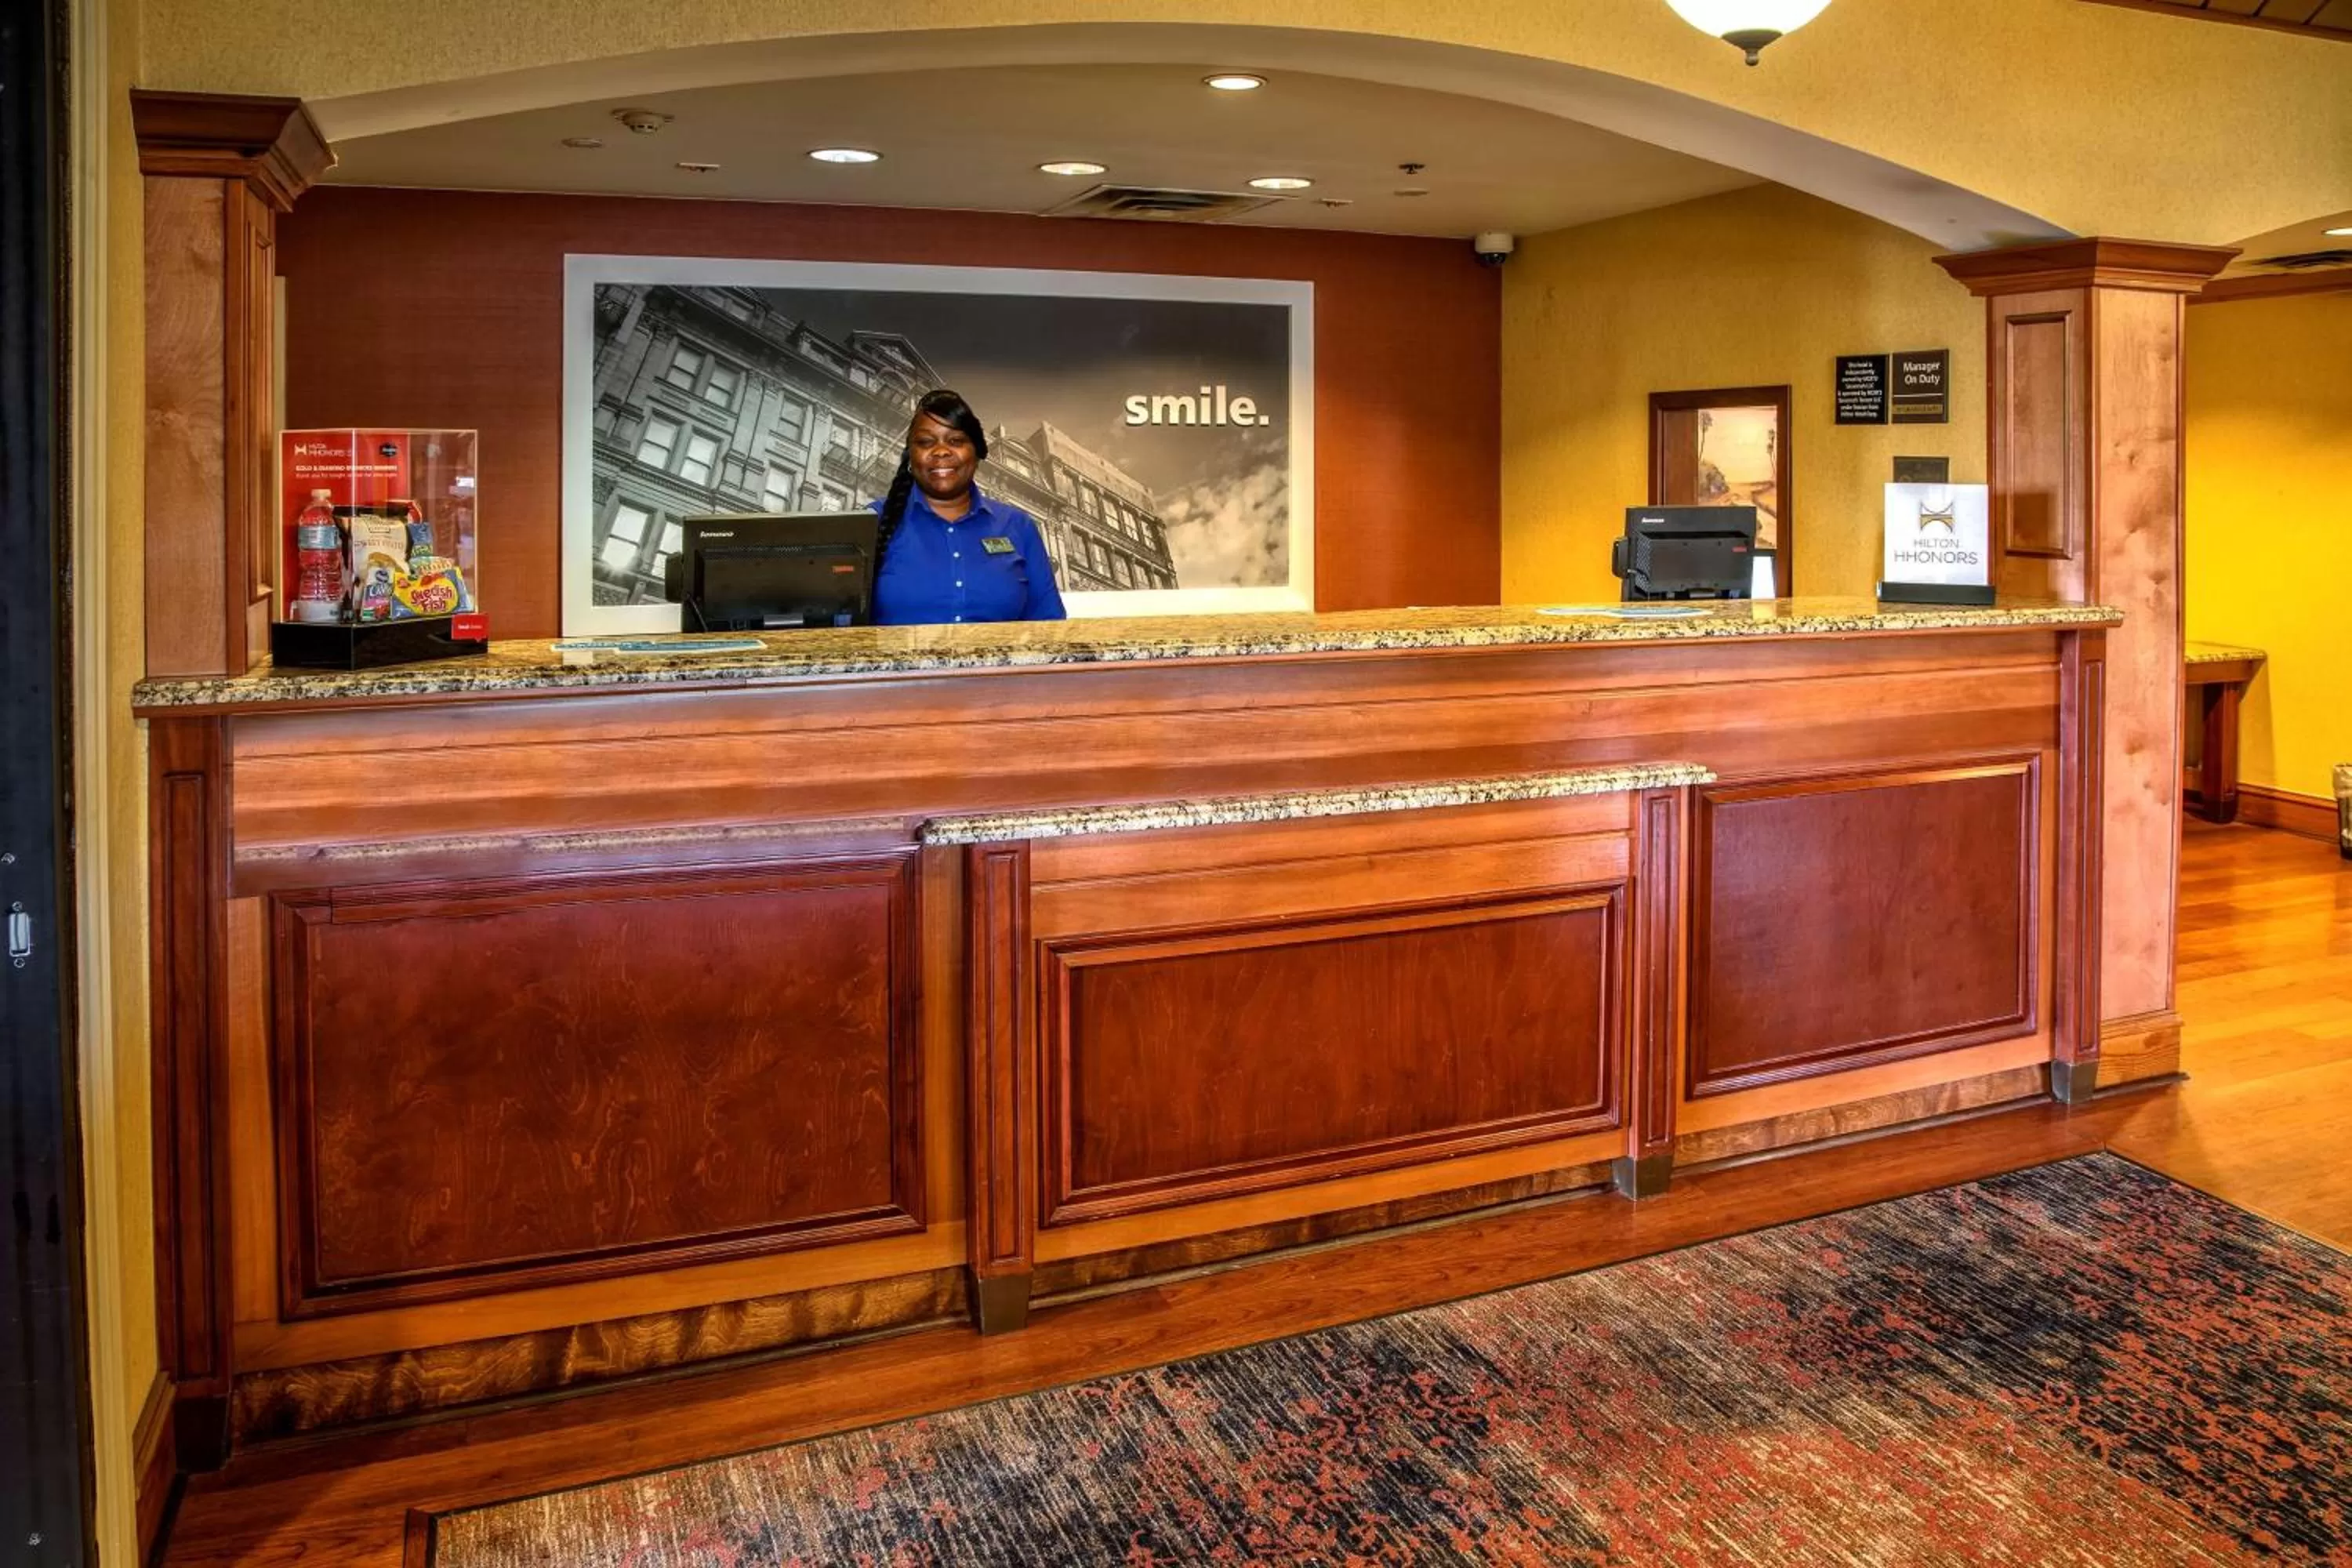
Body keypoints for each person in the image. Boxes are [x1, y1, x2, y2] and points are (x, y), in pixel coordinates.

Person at [867, 389, 1066, 626]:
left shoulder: (1018, 526)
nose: (941, 451)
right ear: (911, 455)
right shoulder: (874, 520)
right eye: (925, 442)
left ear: (978, 452)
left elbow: (1049, 627)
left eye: (956, 441)